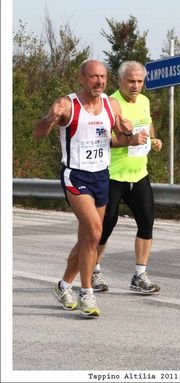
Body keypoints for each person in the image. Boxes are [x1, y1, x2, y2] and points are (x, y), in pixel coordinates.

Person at [33, 60, 148, 317]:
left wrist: (128, 133)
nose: (99, 82)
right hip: (76, 175)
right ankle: (87, 293)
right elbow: (38, 134)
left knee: (88, 237)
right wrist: (50, 118)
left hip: (101, 176)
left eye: (103, 77)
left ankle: (64, 285)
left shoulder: (111, 104)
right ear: (83, 78)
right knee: (95, 231)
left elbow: (117, 137)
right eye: (94, 77)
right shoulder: (68, 105)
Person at [94, 61, 162, 294]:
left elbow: (148, 124)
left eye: (139, 81)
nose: (135, 86)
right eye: (130, 81)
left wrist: (153, 139)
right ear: (120, 81)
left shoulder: (144, 100)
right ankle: (93, 270)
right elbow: (101, 139)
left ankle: (139, 275)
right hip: (112, 174)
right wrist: (129, 141)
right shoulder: (110, 103)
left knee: (146, 222)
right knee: (105, 225)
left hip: (139, 173)